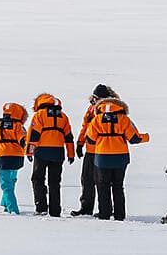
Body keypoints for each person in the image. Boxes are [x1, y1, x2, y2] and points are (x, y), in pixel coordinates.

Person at [84, 89, 148, 220]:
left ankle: (104, 214)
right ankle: (119, 215)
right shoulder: (124, 119)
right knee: (118, 186)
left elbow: (90, 139)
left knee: (103, 186)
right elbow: (134, 138)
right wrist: (146, 137)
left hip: (102, 157)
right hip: (120, 157)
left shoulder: (96, 119)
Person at [69, 85, 116, 216]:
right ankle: (86, 208)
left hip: (104, 151)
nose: (96, 100)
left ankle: (105, 209)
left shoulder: (113, 109)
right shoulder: (91, 109)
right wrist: (80, 143)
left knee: (103, 181)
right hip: (90, 150)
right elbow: (85, 127)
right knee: (87, 179)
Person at [27, 93, 74, 216]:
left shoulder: (39, 115)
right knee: (55, 182)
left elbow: (34, 135)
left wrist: (29, 151)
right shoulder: (63, 116)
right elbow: (69, 137)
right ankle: (55, 210)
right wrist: (71, 153)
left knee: (37, 179)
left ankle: (41, 207)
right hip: (58, 152)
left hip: (42, 152)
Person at [0, 102, 29, 214]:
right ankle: (5, 203)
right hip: (16, 157)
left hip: (2, 157)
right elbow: (24, 140)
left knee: (6, 184)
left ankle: (12, 209)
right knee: (11, 180)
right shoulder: (18, 126)